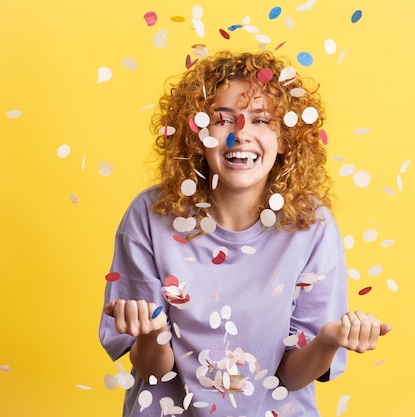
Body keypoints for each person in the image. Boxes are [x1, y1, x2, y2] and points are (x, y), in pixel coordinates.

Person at [99, 50, 391, 417]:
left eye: (261, 120)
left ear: (285, 138)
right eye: (222, 120)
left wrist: (327, 342)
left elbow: (291, 376)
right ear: (198, 133)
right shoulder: (149, 215)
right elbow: (153, 371)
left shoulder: (312, 224)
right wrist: (149, 332)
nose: (241, 135)